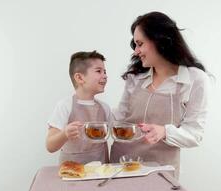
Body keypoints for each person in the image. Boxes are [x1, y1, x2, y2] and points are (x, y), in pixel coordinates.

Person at [111, 11, 210, 178]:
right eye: (135, 45)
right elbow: (119, 118)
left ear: (159, 40)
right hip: (121, 165)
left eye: (140, 44)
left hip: (162, 171)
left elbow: (195, 134)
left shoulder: (195, 79)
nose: (136, 51)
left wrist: (164, 131)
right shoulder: (135, 78)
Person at [46, 50, 112, 164]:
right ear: (80, 78)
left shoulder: (104, 108)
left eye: (105, 71)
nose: (105, 76)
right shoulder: (65, 106)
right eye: (99, 71)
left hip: (100, 174)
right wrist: (65, 134)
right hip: (72, 174)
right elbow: (50, 146)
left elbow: (116, 133)